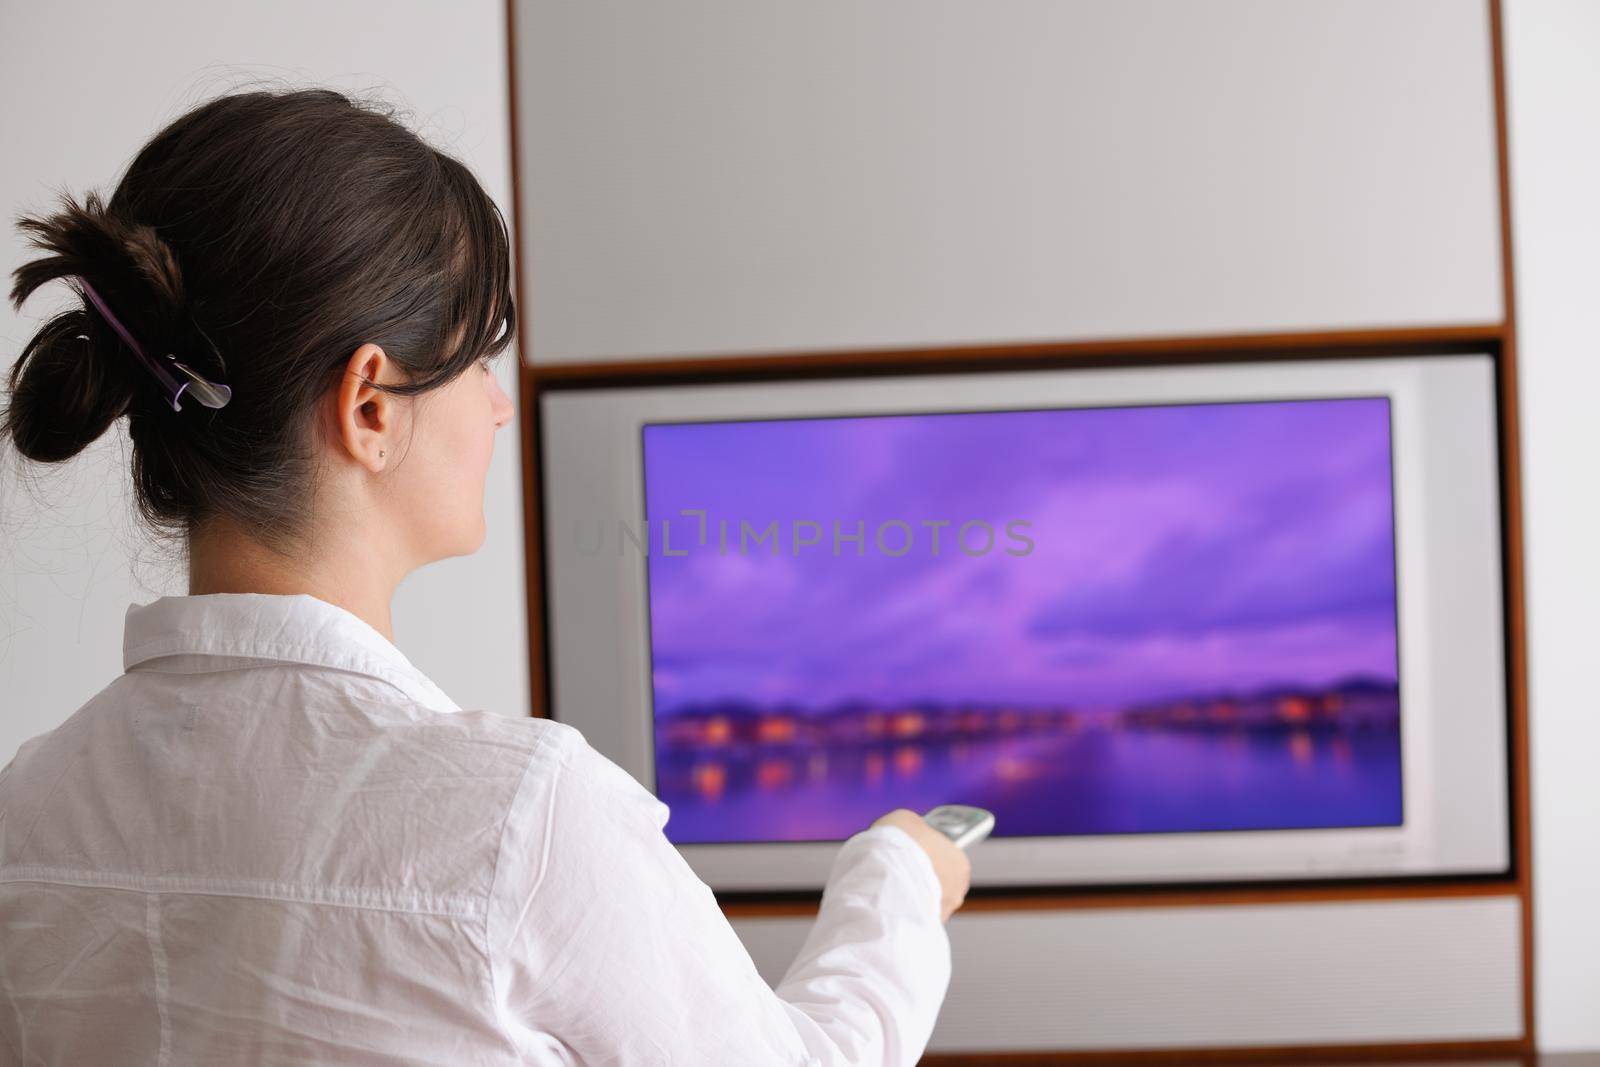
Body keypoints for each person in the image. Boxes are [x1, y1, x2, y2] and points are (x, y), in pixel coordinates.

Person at [0, 87, 971, 1065]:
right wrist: (896, 883)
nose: (498, 406)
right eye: (478, 355)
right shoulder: (520, 820)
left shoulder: (24, 814)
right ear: (370, 404)